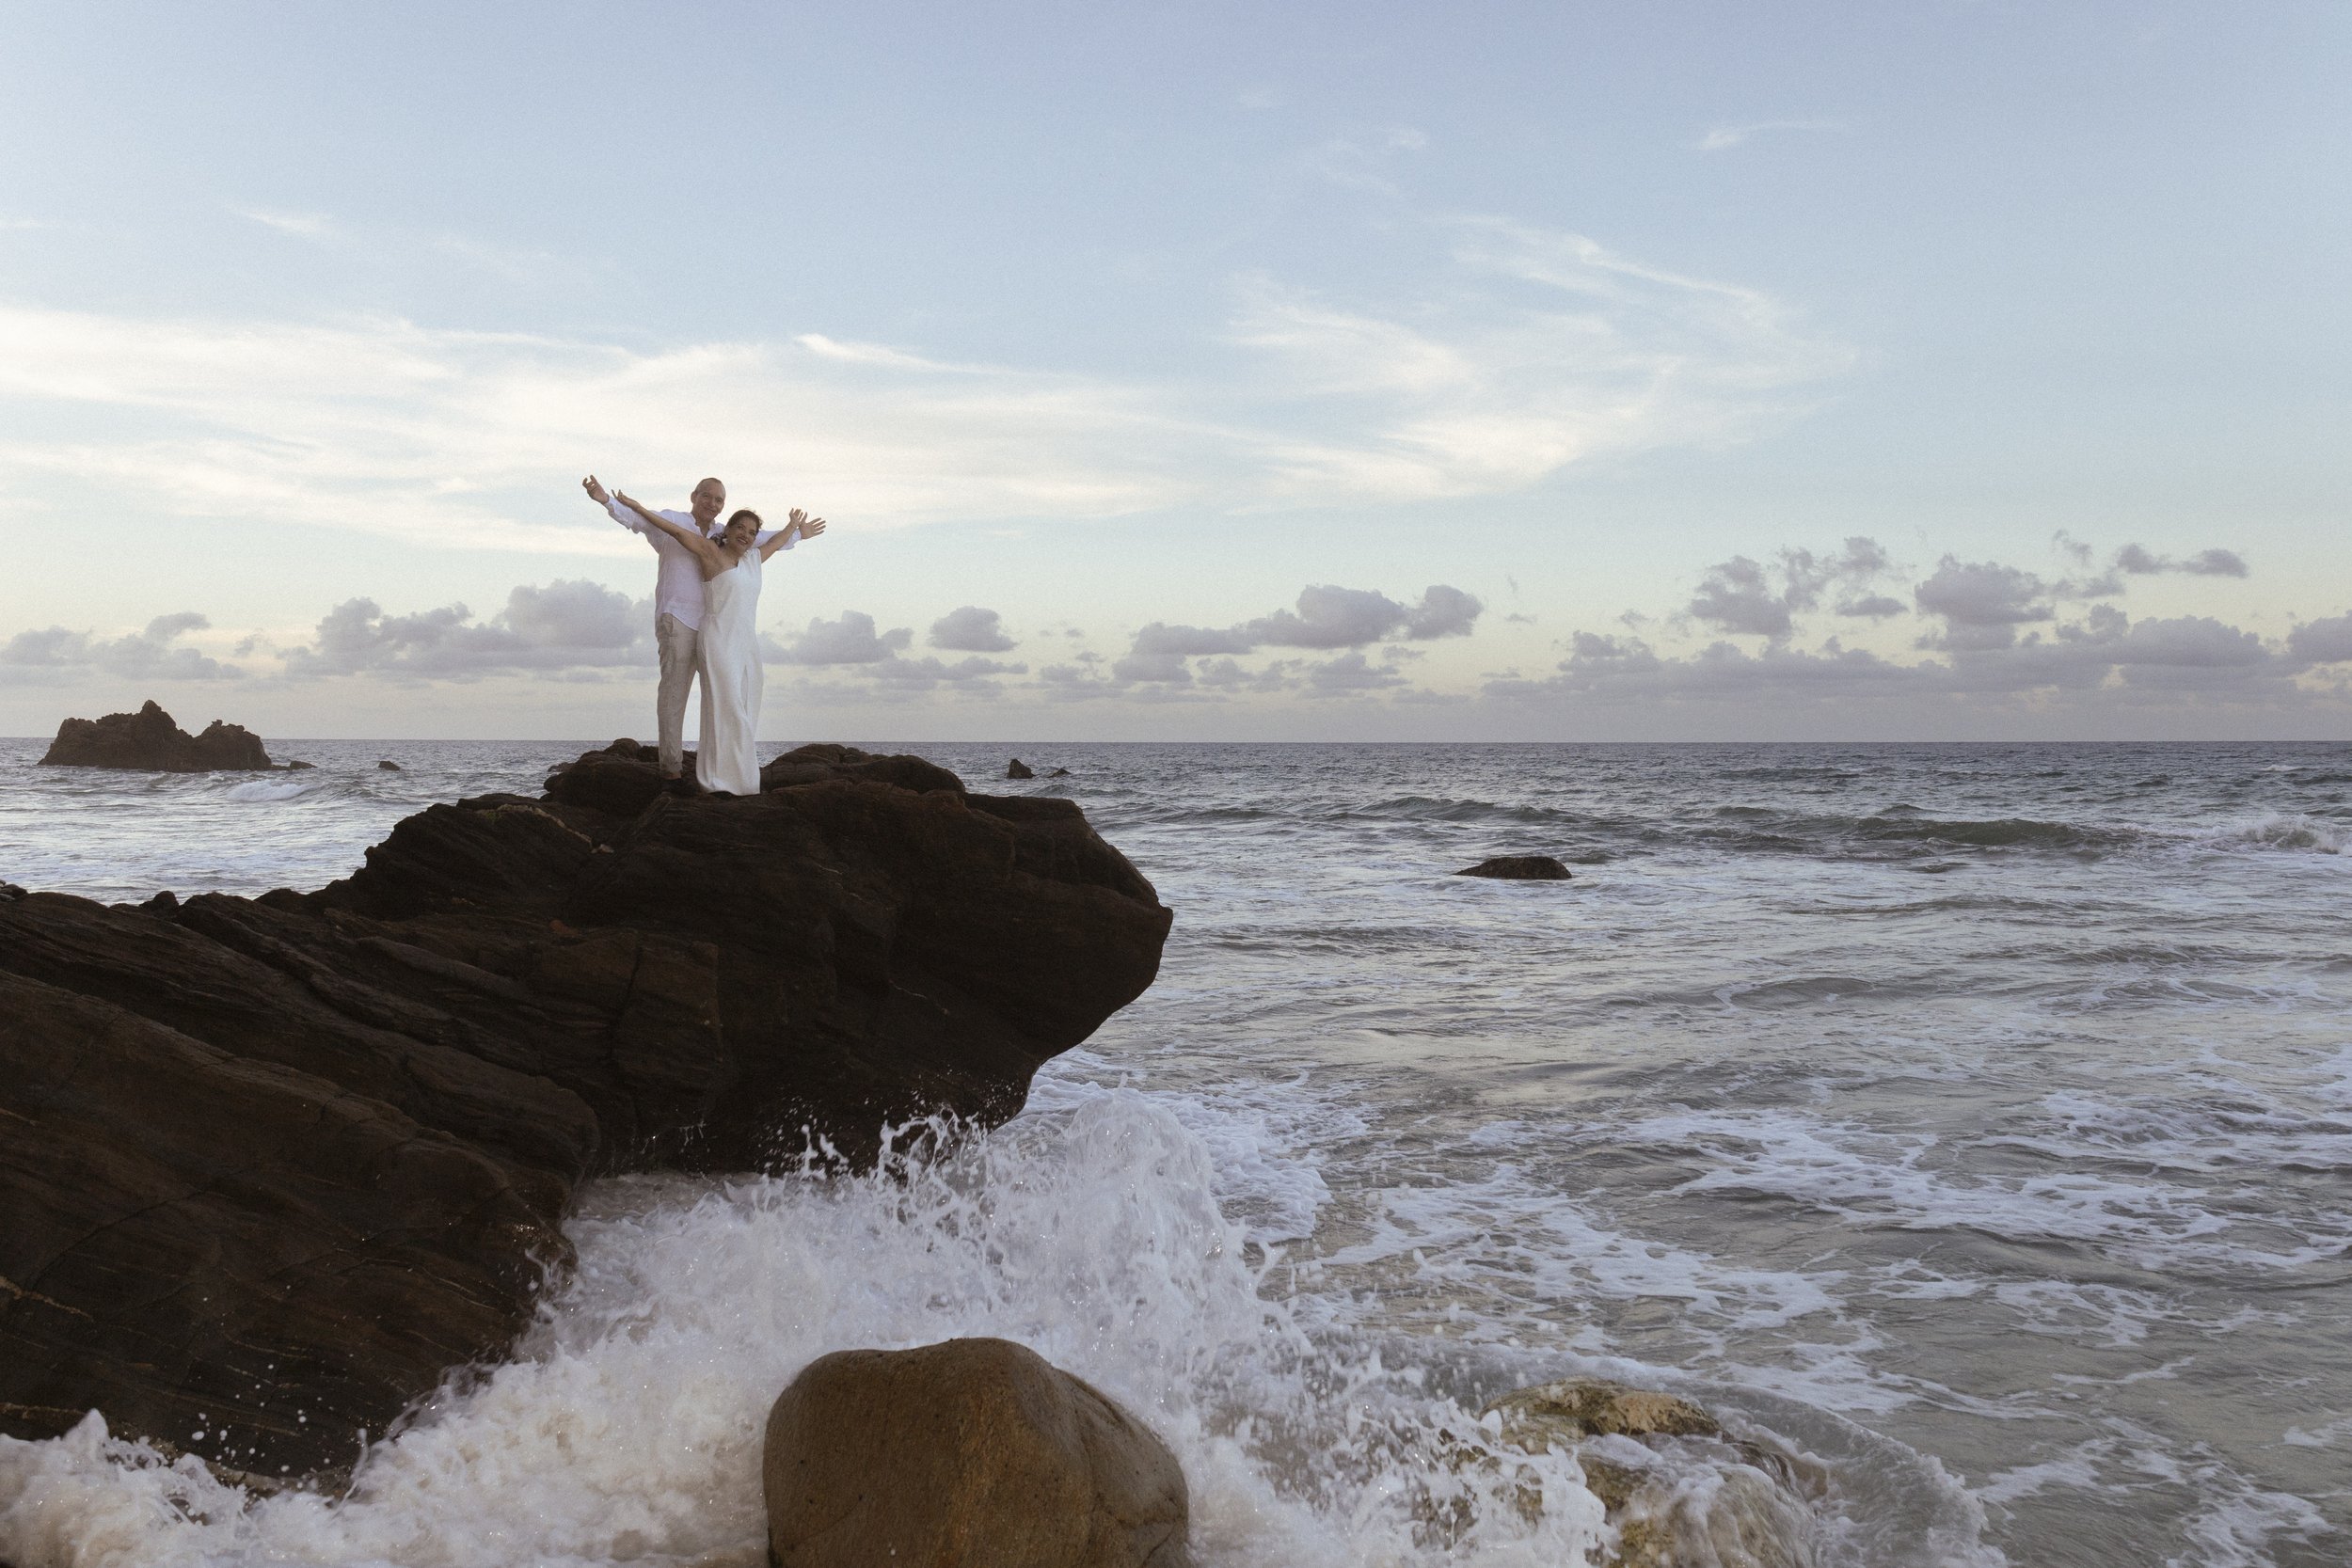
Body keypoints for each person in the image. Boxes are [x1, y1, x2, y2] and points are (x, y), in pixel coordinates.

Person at [581, 474, 802, 784]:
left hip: (716, 629)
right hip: (679, 619)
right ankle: (671, 769)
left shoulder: (723, 535)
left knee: (723, 699)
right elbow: (641, 520)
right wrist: (607, 501)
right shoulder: (674, 521)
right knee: (674, 695)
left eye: (719, 500)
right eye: (707, 496)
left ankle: (724, 767)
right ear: (694, 496)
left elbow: (763, 539)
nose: (712, 503)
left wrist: (797, 531)